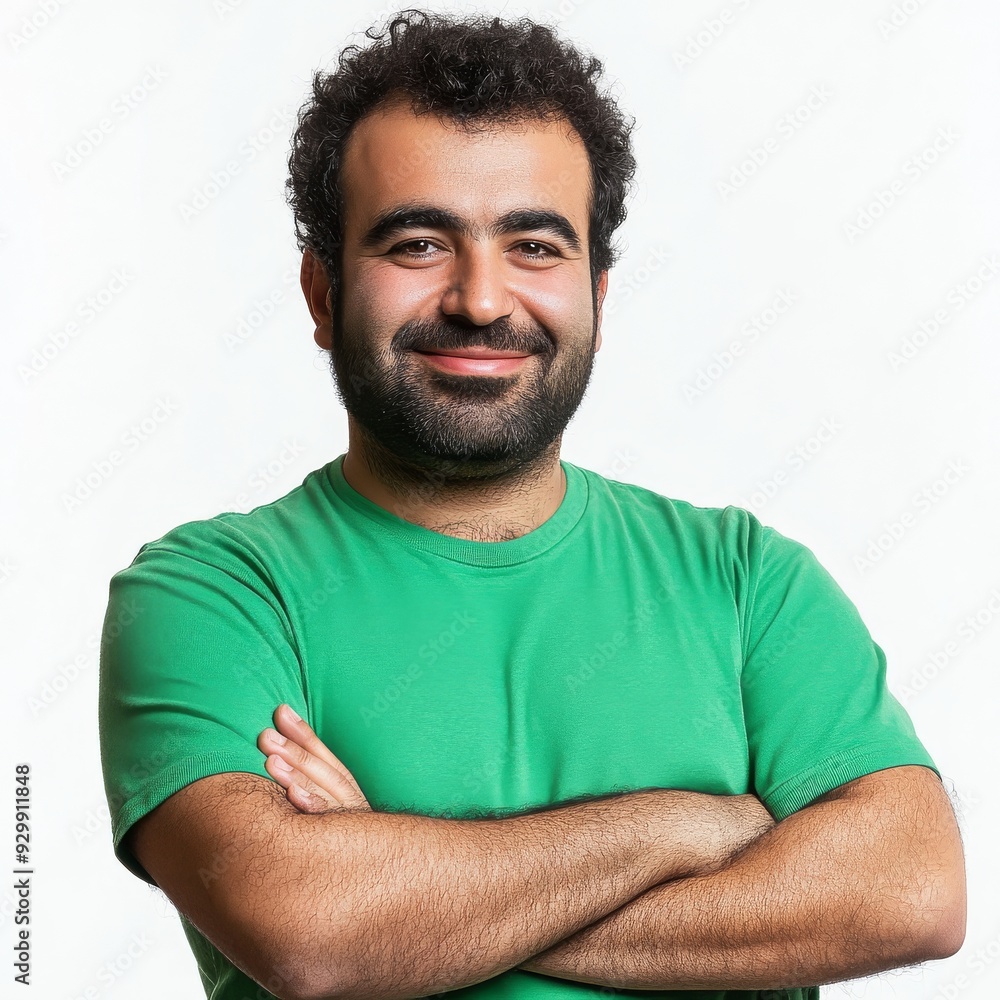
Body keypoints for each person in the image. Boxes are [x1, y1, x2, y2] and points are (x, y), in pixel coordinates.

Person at [97, 9, 966, 1000]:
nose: (480, 299)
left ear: (597, 292)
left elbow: (913, 895)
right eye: (418, 243)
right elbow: (310, 935)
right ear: (323, 294)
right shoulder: (212, 594)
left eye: (536, 247)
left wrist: (406, 894)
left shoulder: (746, 582)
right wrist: (694, 826)